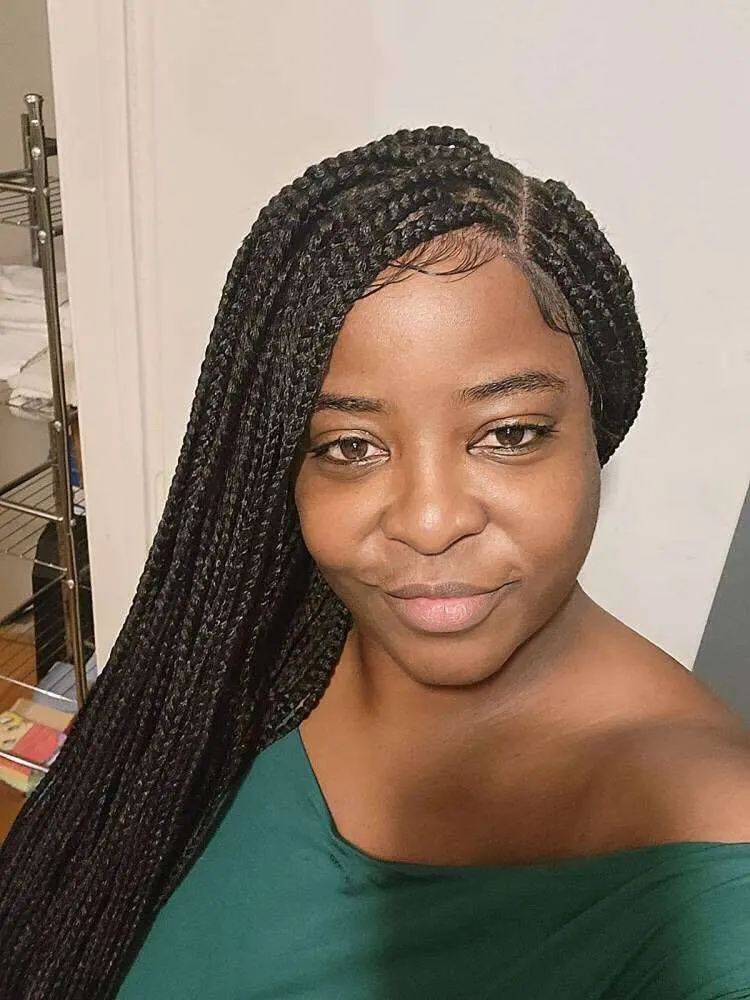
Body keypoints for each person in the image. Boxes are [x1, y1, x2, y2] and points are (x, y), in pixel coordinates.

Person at [1, 126, 749, 999]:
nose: (429, 523)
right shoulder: (242, 669)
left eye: (509, 434)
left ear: (597, 433)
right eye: (351, 446)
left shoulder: (710, 871)